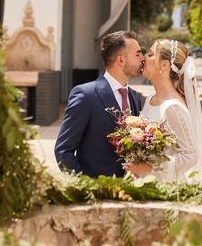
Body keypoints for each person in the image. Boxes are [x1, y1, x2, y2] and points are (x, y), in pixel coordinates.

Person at [55, 30, 144, 177]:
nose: (142, 58)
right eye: (138, 54)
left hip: (130, 194)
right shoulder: (86, 95)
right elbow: (63, 151)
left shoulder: (135, 97)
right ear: (121, 60)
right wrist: (86, 188)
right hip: (97, 194)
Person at [126, 39, 202, 183]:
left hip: (166, 186)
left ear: (164, 65)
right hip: (145, 182)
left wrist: (150, 168)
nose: (143, 58)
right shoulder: (150, 100)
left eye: (150, 54)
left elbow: (190, 155)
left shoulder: (172, 106)